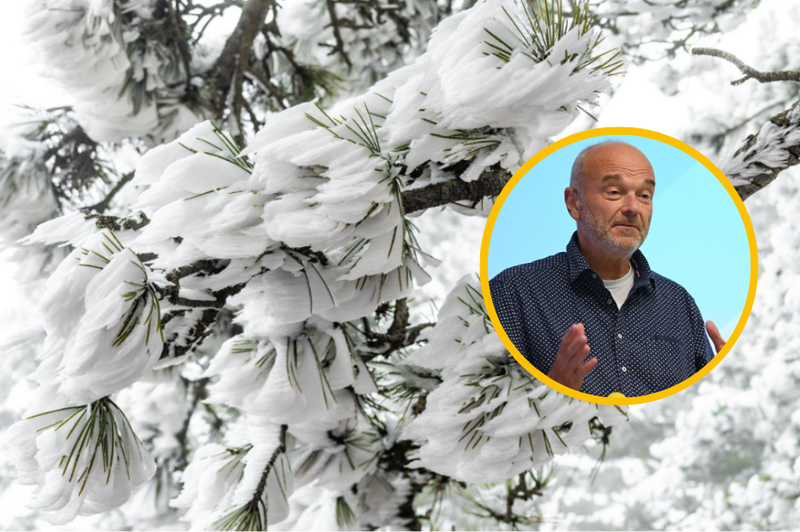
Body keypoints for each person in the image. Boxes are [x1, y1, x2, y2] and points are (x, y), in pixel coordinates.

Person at [489, 140, 727, 397]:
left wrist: (722, 381)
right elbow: (490, 411)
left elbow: (702, 400)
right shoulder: (513, 293)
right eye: (614, 192)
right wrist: (551, 393)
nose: (633, 208)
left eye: (645, 196)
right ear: (574, 203)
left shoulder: (679, 304)